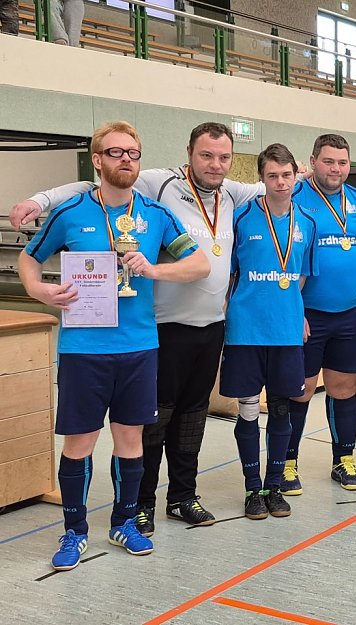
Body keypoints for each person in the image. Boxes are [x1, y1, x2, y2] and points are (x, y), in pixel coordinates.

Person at [12, 122, 264, 537]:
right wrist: (39, 289)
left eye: (132, 152)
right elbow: (31, 255)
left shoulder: (163, 213)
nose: (125, 159)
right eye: (115, 152)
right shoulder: (103, 203)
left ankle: (132, 519)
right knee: (85, 443)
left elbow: (201, 261)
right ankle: (80, 530)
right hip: (90, 346)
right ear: (98, 159)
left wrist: (153, 268)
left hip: (145, 343)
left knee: (147, 434)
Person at [283, 134, 356, 494]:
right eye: (328, 162)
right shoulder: (293, 199)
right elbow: (285, 262)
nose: (336, 169)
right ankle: (286, 463)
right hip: (307, 314)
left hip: (348, 316)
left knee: (343, 389)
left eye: (342, 162)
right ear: (312, 161)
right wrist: (294, 313)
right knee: (300, 390)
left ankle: (343, 460)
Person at [220, 144, 317, 519]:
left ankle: (274, 486)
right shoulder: (242, 218)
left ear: (296, 175)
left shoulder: (305, 221)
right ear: (261, 179)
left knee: (281, 410)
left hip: (286, 332)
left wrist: (294, 310)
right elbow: (229, 274)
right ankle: (251, 489)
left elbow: (303, 275)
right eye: (272, 176)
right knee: (247, 411)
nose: (280, 182)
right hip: (246, 331)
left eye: (286, 175)